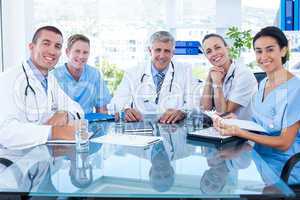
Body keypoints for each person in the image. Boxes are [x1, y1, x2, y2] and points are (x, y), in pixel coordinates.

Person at [213, 26, 300, 180]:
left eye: (270, 49)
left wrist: (241, 132)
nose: (264, 56)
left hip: (285, 170)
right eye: (259, 51)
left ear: (283, 51)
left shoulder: (295, 89)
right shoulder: (263, 83)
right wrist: (237, 121)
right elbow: (260, 125)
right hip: (259, 162)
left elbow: (284, 142)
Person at [0, 26, 84, 149]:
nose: (52, 51)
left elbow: (77, 109)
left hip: (42, 156)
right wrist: (51, 132)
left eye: (57, 46)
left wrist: (65, 114)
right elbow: (5, 132)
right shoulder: (8, 78)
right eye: (46, 44)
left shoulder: (49, 80)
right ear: (31, 47)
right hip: (13, 161)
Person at [110, 31, 193, 124]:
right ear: (150, 51)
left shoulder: (185, 72)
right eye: (158, 50)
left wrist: (182, 112)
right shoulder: (132, 73)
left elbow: (194, 103)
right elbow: (115, 103)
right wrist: (125, 110)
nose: (162, 56)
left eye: (167, 51)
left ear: (173, 53)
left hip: (173, 129)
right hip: (141, 130)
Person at [200, 33, 257, 120]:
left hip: (245, 130)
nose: (214, 53)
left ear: (227, 48)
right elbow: (204, 109)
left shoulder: (243, 74)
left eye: (217, 47)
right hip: (224, 129)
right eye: (209, 51)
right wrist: (209, 77)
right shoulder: (214, 73)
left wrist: (217, 83)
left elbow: (223, 113)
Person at [53, 34, 111, 114]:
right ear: (67, 52)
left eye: (85, 52)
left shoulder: (94, 75)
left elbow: (102, 109)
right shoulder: (54, 76)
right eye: (77, 51)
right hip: (63, 124)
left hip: (89, 123)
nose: (81, 56)